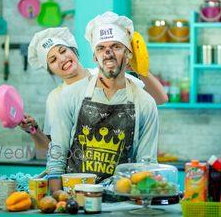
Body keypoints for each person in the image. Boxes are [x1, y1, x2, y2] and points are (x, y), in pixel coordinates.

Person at [46, 11, 160, 191]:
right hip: (74, 200)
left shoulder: (145, 103)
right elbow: (57, 155)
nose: (108, 53)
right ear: (94, 56)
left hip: (123, 201)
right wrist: (56, 198)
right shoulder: (70, 96)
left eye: (116, 46)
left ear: (128, 53)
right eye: (101, 48)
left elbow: (146, 166)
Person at [21, 26, 167, 153]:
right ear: (50, 70)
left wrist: (140, 70)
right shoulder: (56, 97)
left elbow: (160, 99)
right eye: (52, 60)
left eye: (63, 50)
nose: (62, 58)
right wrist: (34, 130)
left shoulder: (105, 74)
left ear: (73, 50)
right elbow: (53, 150)